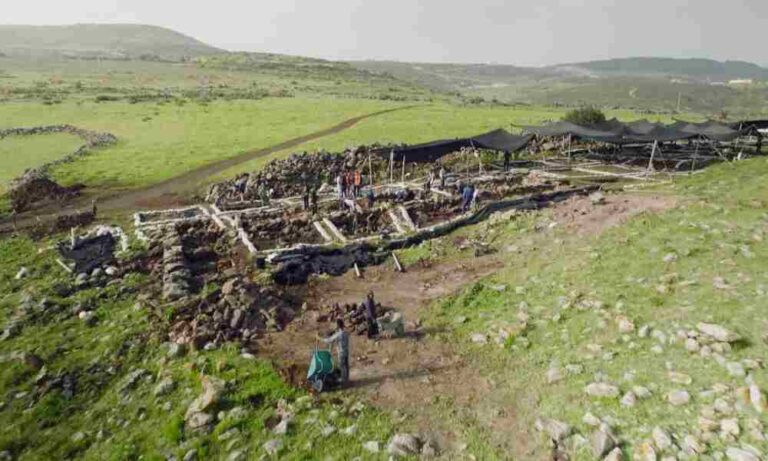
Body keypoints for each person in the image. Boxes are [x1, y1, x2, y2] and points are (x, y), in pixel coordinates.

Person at [318, 319, 350, 386]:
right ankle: (347, 380)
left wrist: (319, 338)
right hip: (346, 351)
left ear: (338, 325)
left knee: (342, 367)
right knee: (346, 366)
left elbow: (329, 340)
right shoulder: (346, 333)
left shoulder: (338, 334)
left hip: (341, 352)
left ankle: (344, 383)